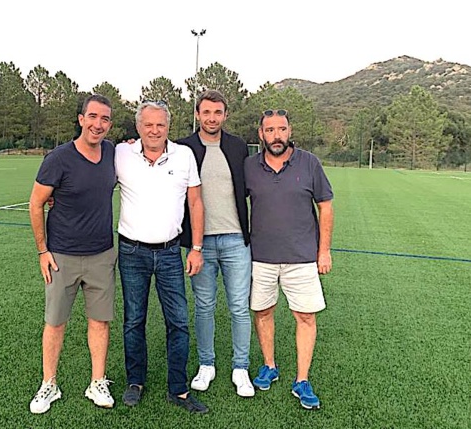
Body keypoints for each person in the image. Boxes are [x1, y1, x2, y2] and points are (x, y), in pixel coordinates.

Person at [115, 100, 208, 413]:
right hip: (132, 251)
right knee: (134, 320)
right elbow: (91, 179)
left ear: (169, 127)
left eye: (160, 125)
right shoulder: (121, 153)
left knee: (178, 322)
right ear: (138, 127)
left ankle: (178, 389)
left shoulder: (184, 155)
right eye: (148, 125)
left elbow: (195, 203)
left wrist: (196, 248)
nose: (154, 131)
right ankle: (135, 382)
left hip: (170, 252)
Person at [28, 94, 118, 414]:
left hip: (102, 255)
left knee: (100, 321)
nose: (98, 124)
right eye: (92, 117)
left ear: (110, 124)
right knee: (55, 322)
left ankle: (97, 382)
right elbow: (36, 203)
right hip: (61, 256)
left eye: (104, 119)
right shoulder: (59, 158)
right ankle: (49, 384)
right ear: (81, 119)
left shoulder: (112, 153)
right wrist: (42, 250)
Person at [244, 109, 334, 410]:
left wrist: (324, 250)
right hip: (261, 257)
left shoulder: (309, 163)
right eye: (270, 130)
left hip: (302, 257)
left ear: (289, 131)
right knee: (263, 312)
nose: (276, 136)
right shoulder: (249, 166)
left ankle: (302, 380)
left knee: (305, 317)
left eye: (281, 129)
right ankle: (269, 365)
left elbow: (326, 206)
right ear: (261, 134)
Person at [177, 90, 254, 397]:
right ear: (197, 114)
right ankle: (206, 364)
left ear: (225, 115)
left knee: (239, 307)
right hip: (200, 243)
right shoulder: (183, 148)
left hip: (236, 240)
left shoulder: (238, 147)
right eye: (206, 112)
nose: (212, 118)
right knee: (204, 306)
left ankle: (241, 367)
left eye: (217, 112)